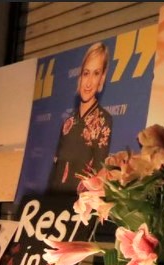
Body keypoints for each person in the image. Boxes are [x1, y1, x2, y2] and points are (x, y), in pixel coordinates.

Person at [47, 42, 114, 195]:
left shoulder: (104, 121)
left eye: (96, 73)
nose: (89, 82)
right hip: (54, 206)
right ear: (80, 76)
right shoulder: (68, 123)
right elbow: (55, 170)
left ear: (102, 78)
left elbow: (98, 174)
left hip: (80, 207)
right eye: (86, 73)